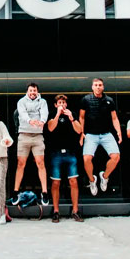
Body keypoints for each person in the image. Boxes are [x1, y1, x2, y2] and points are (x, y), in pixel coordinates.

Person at [79, 78, 122, 196]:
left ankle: (104, 176)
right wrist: (81, 133)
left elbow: (114, 118)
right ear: (92, 87)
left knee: (116, 157)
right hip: (91, 135)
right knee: (86, 159)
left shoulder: (109, 100)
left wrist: (118, 131)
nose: (98, 87)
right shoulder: (86, 99)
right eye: (96, 85)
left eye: (100, 85)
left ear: (103, 87)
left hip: (106, 134)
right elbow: (81, 117)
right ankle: (92, 181)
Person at [46, 94, 83, 223]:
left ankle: (75, 211)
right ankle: (56, 211)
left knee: (73, 181)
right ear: (56, 105)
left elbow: (79, 130)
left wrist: (72, 118)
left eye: (64, 103)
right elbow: (50, 128)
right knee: (56, 182)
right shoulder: (51, 114)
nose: (62, 105)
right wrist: (57, 115)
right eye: (59, 103)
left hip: (70, 152)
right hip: (56, 153)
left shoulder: (71, 114)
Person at [11, 83, 50, 206]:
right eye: (30, 90)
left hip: (38, 136)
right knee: (20, 164)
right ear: (27, 91)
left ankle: (44, 192)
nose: (32, 92)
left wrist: (42, 121)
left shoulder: (42, 102)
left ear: (37, 91)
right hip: (24, 136)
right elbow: (22, 114)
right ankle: (15, 192)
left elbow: (45, 113)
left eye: (34, 90)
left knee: (41, 163)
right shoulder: (21, 101)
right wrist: (30, 120)